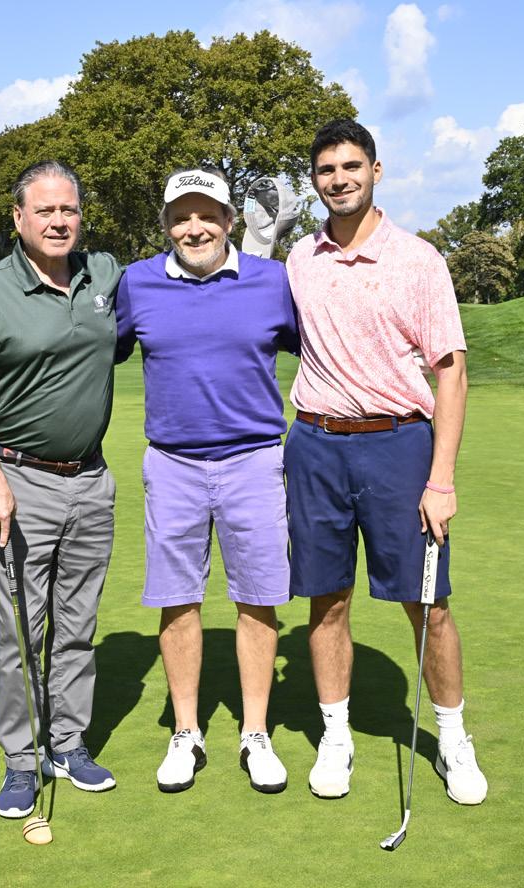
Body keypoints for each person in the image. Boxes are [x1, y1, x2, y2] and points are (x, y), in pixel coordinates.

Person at [284, 120, 488, 805]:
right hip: (315, 444)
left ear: (375, 170)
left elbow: (451, 373)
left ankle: (452, 739)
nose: (339, 179)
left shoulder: (419, 260)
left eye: (351, 166)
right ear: (314, 180)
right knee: (326, 599)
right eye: (326, 170)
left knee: (427, 604)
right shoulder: (300, 259)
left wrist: (441, 479)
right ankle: (335, 736)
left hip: (399, 446)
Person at [116, 167, 299, 794]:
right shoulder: (137, 282)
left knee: (258, 598)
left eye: (206, 216)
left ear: (228, 221)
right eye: (180, 217)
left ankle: (256, 733)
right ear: (166, 225)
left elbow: (320, 343)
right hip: (173, 464)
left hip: (254, 460)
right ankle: (187, 732)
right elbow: (96, 348)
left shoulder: (271, 280)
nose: (193, 228)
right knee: (178, 599)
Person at [0, 160, 121, 819]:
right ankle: (22, 760)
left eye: (68, 209)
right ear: (18, 217)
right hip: (18, 480)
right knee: (23, 629)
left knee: (77, 624)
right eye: (44, 210)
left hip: (91, 480)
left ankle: (68, 744)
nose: (57, 220)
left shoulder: (104, 275)